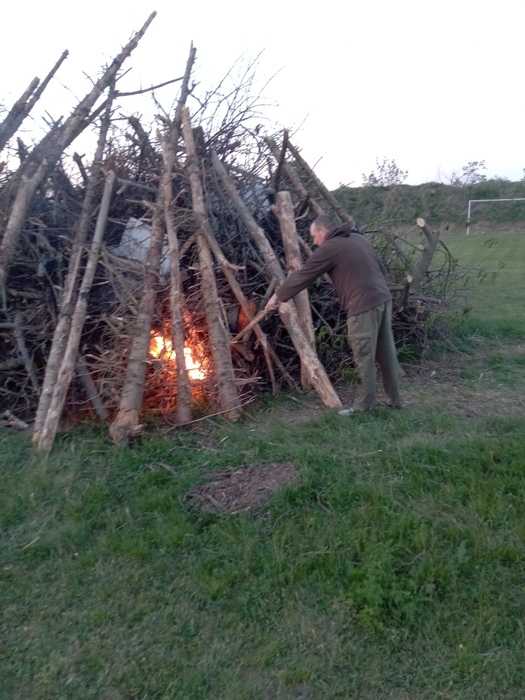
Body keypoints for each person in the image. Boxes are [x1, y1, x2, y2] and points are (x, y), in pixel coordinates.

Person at [265, 214, 402, 413]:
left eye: (314, 236)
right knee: (386, 352)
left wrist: (278, 296)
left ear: (323, 231)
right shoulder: (359, 238)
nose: (314, 242)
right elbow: (381, 269)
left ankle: (364, 408)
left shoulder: (330, 247)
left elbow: (304, 275)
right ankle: (395, 400)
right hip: (383, 299)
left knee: (364, 356)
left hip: (362, 305)